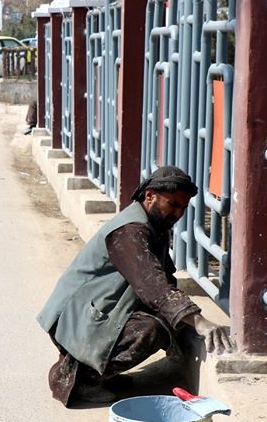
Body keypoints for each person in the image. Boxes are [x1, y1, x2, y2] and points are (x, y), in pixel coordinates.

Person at [38, 166, 236, 406]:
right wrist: (200, 322)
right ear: (150, 196)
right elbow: (155, 287)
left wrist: (187, 318)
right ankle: (80, 379)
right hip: (74, 319)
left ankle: (93, 369)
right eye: (172, 204)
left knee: (168, 320)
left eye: (183, 208)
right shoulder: (131, 231)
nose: (177, 213)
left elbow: (165, 278)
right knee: (151, 330)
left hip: (90, 311)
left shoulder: (152, 225)